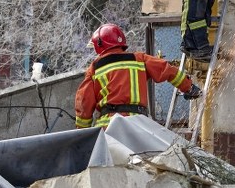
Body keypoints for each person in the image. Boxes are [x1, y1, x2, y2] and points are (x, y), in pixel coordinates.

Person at [74, 23, 203, 129]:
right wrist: (189, 88)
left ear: (99, 45)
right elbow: (168, 70)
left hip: (109, 128)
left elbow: (83, 102)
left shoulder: (95, 68)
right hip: (139, 126)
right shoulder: (139, 59)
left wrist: (82, 132)